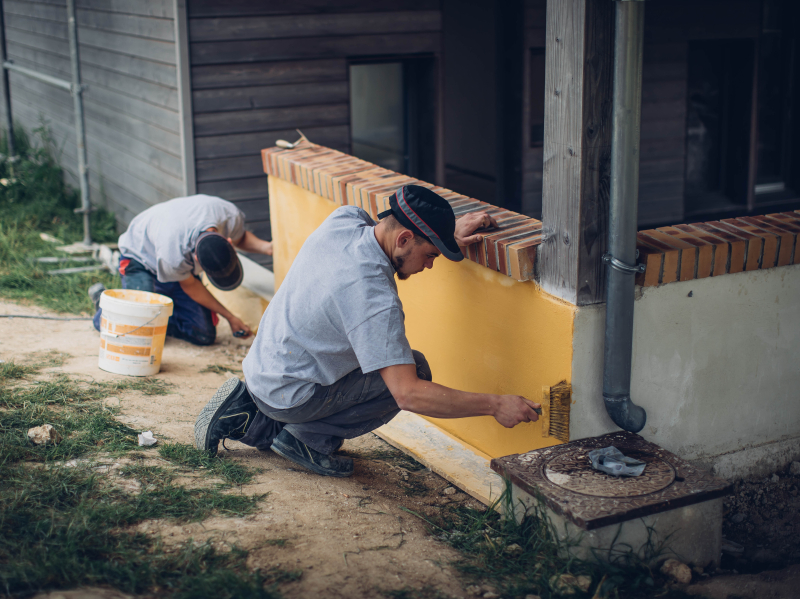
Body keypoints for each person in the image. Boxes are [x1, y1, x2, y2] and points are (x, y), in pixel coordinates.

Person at [194, 185, 540, 476]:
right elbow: (409, 394)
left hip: (265, 370)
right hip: (292, 394)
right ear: (405, 238)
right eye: (431, 254)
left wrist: (444, 236)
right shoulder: (374, 298)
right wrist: (495, 404)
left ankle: (245, 416)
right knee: (414, 370)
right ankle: (306, 440)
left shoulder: (344, 219)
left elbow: (382, 225)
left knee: (376, 362)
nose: (430, 265)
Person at [89, 194, 272, 346]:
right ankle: (104, 304)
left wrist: (267, 248)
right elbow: (190, 285)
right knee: (138, 333)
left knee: (204, 336)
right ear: (196, 259)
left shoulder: (228, 215)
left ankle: (157, 314)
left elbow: (241, 238)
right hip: (141, 259)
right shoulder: (173, 254)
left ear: (227, 241)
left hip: (175, 268)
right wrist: (230, 317)